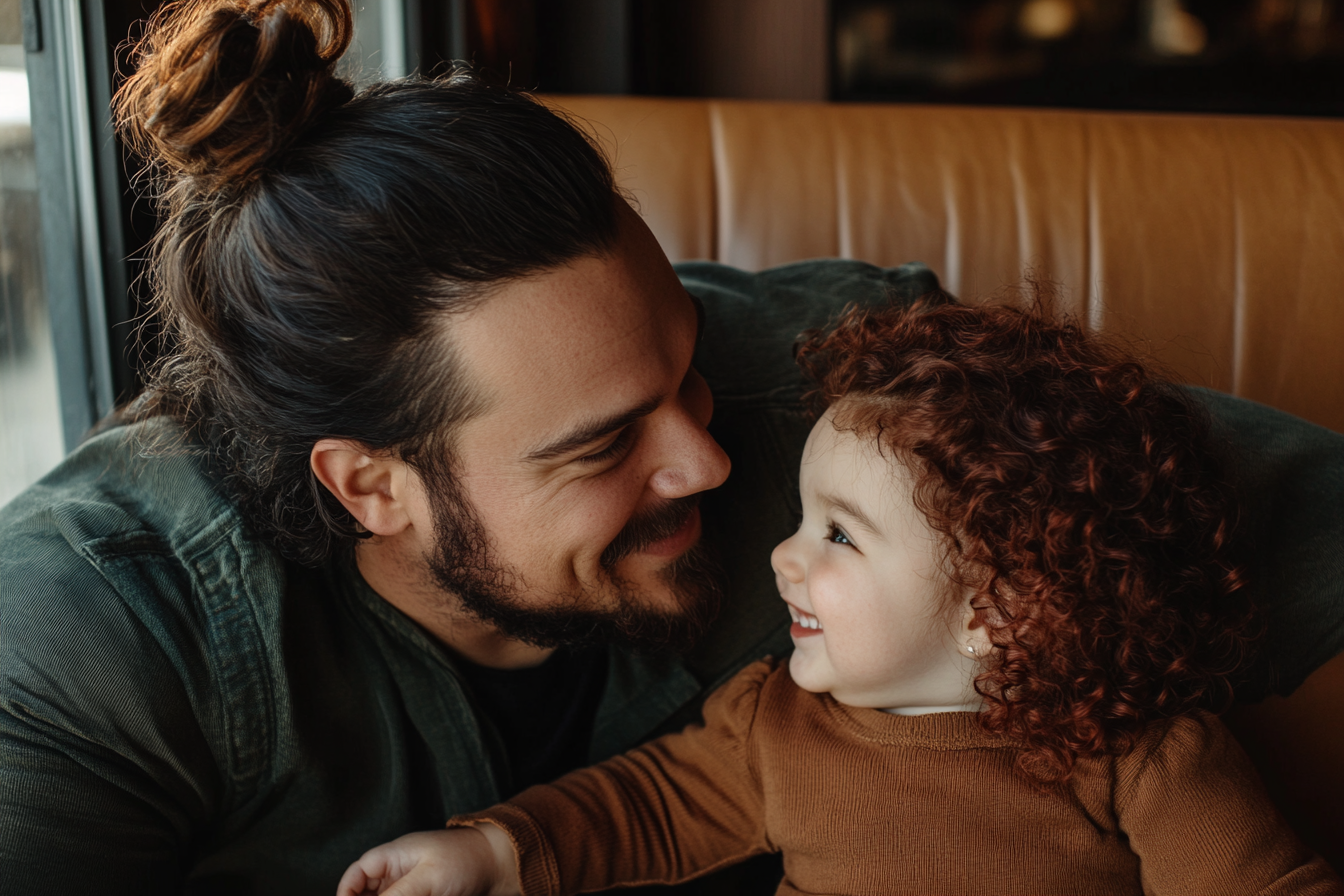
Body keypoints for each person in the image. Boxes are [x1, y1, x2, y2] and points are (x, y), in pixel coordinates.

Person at [0, 0, 1341, 893]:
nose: (708, 463)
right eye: (599, 448)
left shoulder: (862, 399)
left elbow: (1265, 512)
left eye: (687, 366)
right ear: (371, 488)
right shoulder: (85, 640)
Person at [337, 299, 1344, 896]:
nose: (782, 555)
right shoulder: (774, 721)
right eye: (804, 518)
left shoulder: (1137, 749)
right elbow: (642, 803)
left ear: (993, 609)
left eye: (837, 534)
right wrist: (493, 850)